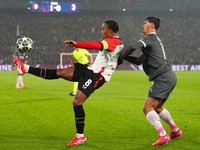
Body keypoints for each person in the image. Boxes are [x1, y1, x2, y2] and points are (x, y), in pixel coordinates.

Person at [13, 20, 123, 146]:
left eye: (103, 29)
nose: (101, 31)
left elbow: (97, 45)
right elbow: (118, 59)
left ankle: (80, 136)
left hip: (97, 76)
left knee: (77, 102)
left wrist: (78, 44)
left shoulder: (112, 41)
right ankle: (25, 68)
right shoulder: (118, 43)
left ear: (110, 31)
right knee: (59, 72)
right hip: (89, 70)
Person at [120, 17, 182, 146]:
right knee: (158, 107)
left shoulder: (149, 39)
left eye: (145, 23)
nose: (143, 25)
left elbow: (132, 46)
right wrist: (122, 58)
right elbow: (138, 60)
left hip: (162, 77)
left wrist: (120, 57)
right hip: (169, 77)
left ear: (152, 25)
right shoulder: (154, 42)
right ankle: (175, 130)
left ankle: (163, 135)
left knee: (147, 107)